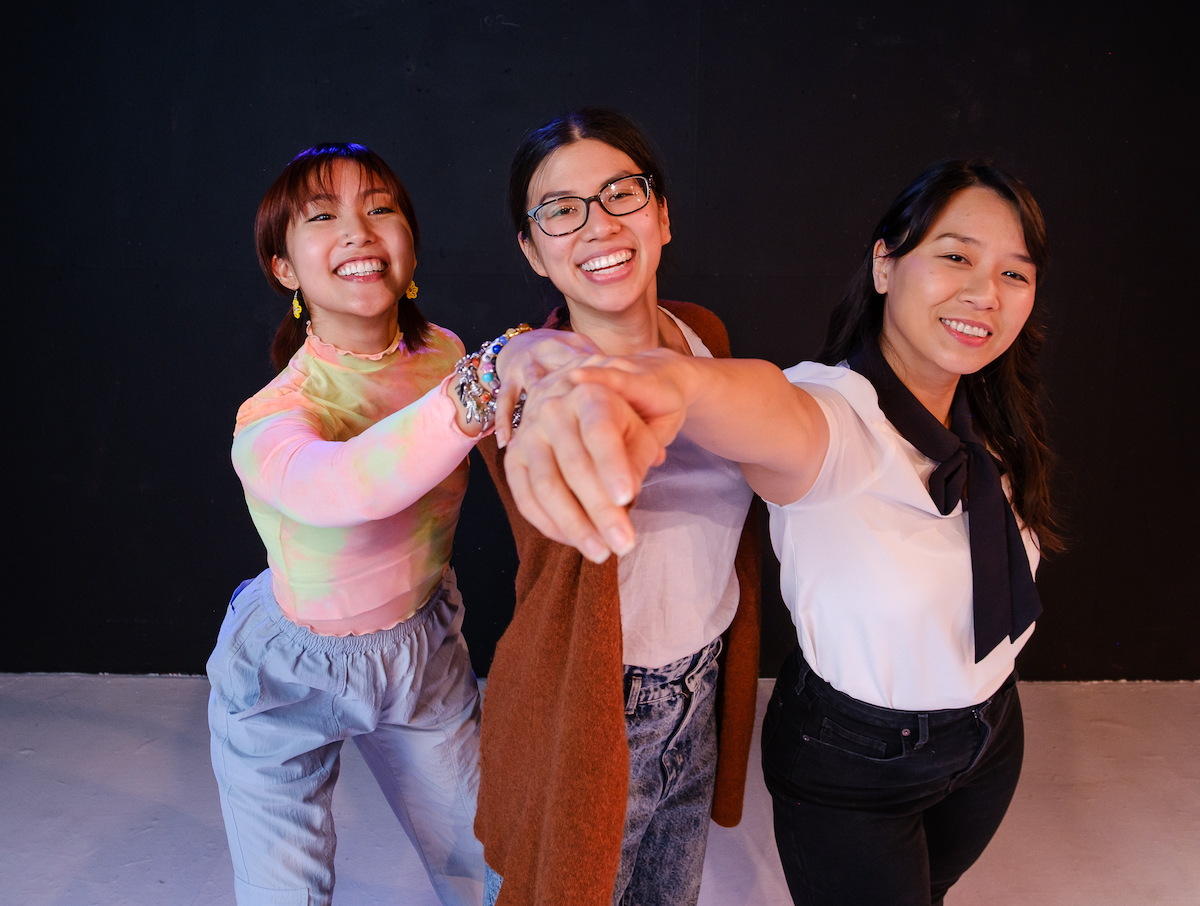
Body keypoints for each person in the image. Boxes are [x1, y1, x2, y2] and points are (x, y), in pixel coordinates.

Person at [501, 159, 1063, 906]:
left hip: (991, 732)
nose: (984, 293)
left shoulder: (989, 410)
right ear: (886, 264)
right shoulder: (830, 416)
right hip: (861, 765)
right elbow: (755, 400)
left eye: (1014, 274)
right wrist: (648, 381)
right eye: (956, 256)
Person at [206, 142, 547, 906]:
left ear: (410, 241)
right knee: (283, 894)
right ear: (284, 268)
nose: (359, 230)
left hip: (422, 650)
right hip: (286, 672)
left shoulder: (445, 355)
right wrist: (487, 380)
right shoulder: (272, 419)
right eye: (323, 217)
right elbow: (349, 489)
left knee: (487, 870)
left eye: (380, 208)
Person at [471, 109, 762, 906]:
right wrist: (516, 354)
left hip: (696, 693)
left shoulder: (702, 334)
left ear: (661, 214)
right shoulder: (537, 390)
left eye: (619, 194)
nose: (597, 223)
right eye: (561, 209)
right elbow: (516, 413)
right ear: (532, 249)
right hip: (594, 707)